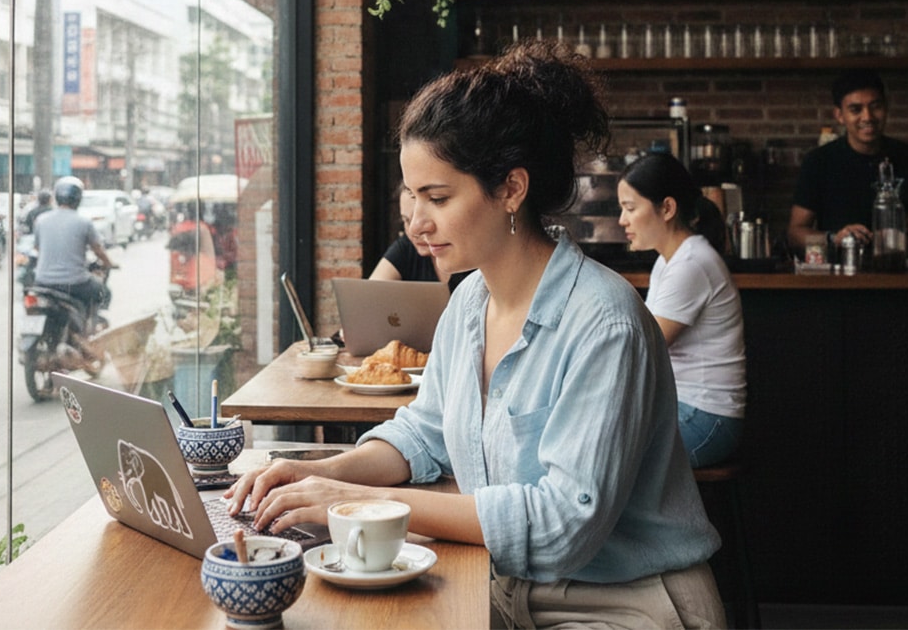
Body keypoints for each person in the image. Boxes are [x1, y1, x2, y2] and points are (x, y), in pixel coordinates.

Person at [227, 41, 725, 628]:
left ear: (511, 189)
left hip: (629, 603)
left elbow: (562, 525)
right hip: (507, 589)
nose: (417, 223)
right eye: (412, 197)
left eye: (438, 198)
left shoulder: (605, 323)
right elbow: (425, 432)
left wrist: (363, 503)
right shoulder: (468, 303)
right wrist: (322, 473)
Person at [618, 153, 746, 469]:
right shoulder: (669, 261)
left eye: (630, 208)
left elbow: (642, 350)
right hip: (684, 407)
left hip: (707, 418)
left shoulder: (690, 264)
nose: (622, 220)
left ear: (667, 208)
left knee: (608, 460)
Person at [787, 69, 908, 255]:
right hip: (842, 268)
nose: (867, 117)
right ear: (839, 115)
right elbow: (795, 233)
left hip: (899, 267)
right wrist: (834, 238)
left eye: (875, 106)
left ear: (886, 108)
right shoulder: (818, 161)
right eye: (856, 109)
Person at [32, 177, 117, 325]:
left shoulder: (41, 220)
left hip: (42, 282)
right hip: (74, 284)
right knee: (104, 293)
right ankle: (90, 325)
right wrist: (109, 263)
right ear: (78, 199)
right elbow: (98, 250)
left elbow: (38, 248)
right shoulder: (84, 222)